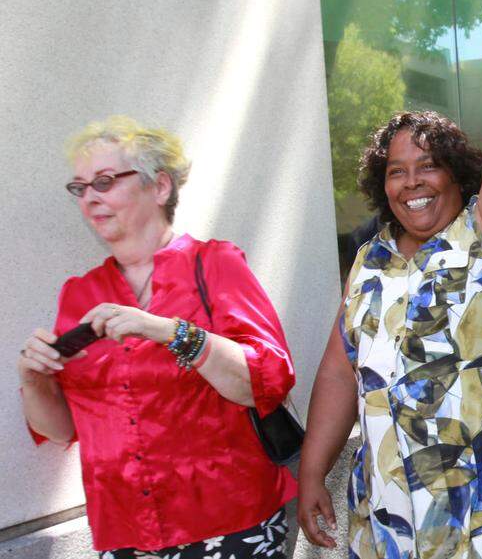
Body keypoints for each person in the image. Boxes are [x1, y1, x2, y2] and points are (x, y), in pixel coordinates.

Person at [296, 0, 482, 559]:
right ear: (380, 183)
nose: (412, 182)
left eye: (428, 166)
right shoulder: (368, 262)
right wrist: (312, 470)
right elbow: (343, 367)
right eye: (397, 171)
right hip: (398, 507)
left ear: (458, 173)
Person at [18, 116, 297, 558]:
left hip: (230, 523)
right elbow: (64, 428)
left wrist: (167, 331)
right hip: (125, 531)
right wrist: (35, 381)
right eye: (80, 188)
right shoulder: (80, 293)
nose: (90, 198)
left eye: (105, 181)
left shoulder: (216, 264)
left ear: (160, 187)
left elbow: (258, 384)